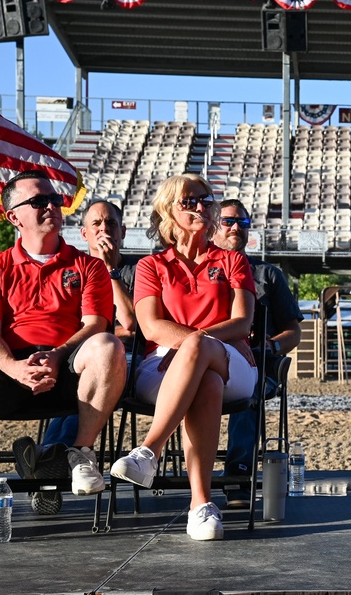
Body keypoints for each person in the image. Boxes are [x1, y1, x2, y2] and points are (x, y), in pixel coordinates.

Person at [0, 171, 126, 541]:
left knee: (108, 346)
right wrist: (14, 367)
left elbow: (97, 323)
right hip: (8, 364)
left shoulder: (89, 266)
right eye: (38, 201)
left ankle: (81, 454)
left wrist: (57, 354)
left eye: (53, 199)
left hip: (70, 363)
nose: (51, 205)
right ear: (13, 216)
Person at [110, 174, 257, 541]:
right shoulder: (151, 266)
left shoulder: (232, 260)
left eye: (206, 200)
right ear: (167, 211)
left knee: (200, 352)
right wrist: (190, 347)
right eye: (189, 201)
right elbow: (150, 326)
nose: (201, 206)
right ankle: (201, 506)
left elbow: (242, 323)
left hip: (231, 361)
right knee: (204, 382)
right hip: (163, 363)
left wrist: (193, 344)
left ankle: (149, 450)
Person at [14, 199, 141, 516]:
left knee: (99, 367)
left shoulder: (139, 270)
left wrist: (109, 270)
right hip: (77, 359)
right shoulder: (73, 269)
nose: (104, 230)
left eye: (110, 223)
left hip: (124, 360)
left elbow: (132, 325)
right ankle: (52, 460)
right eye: (96, 224)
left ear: (123, 230)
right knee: (78, 380)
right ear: (83, 233)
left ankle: (46, 462)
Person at [211, 198, 303, 509]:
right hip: (205, 361)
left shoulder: (268, 275)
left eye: (243, 223)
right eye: (227, 221)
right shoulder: (198, 272)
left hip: (256, 364)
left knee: (248, 388)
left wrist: (272, 345)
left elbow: (295, 331)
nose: (236, 227)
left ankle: (238, 472)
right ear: (212, 226)